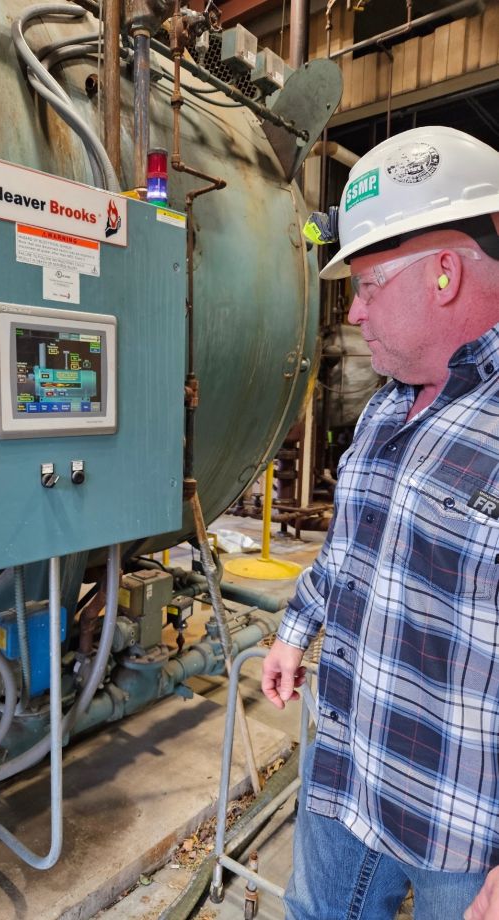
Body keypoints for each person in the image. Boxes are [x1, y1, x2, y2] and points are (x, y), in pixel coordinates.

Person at [262, 126, 499, 920]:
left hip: (461, 829)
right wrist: (296, 628)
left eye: (366, 285)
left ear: (442, 274)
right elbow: (351, 548)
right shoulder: (391, 404)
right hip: (345, 766)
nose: (354, 313)